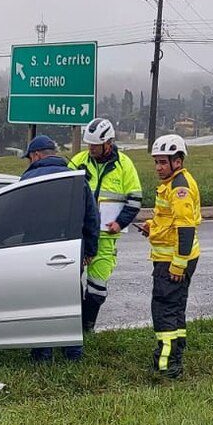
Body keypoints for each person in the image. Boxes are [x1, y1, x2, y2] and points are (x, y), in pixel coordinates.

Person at [20, 134, 100, 362]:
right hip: (71, 251)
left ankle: (42, 354)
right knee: (71, 299)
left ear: (35, 156)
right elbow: (91, 217)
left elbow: (17, 217)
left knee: (40, 301)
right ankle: (73, 352)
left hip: (36, 250)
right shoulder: (76, 178)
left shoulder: (28, 179)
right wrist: (89, 250)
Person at [68, 117, 144, 332]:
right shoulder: (78, 161)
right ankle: (76, 330)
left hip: (105, 237)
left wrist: (120, 223)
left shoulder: (124, 165)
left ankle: (87, 328)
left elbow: (135, 199)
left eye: (95, 145)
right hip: (79, 235)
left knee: (97, 289)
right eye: (89, 144)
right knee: (69, 284)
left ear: (108, 143)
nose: (91, 148)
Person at [137, 134, 201, 379]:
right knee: (175, 307)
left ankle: (166, 365)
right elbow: (169, 221)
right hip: (173, 257)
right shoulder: (171, 183)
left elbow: (185, 228)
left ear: (178, 161)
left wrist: (178, 265)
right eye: (156, 162)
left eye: (163, 162)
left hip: (173, 260)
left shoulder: (179, 187)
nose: (158, 167)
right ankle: (176, 355)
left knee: (164, 309)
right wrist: (151, 226)